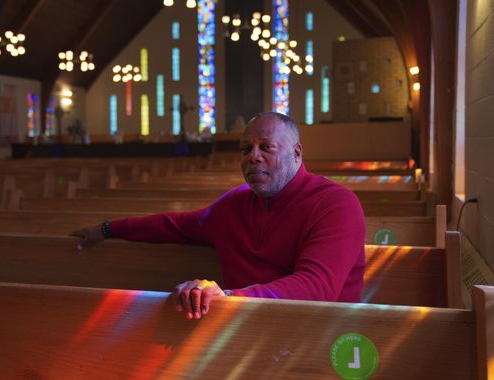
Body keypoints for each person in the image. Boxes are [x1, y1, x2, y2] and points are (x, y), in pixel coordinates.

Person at [71, 112, 365, 320]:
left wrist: (228, 297)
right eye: (245, 149)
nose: (253, 156)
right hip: (239, 329)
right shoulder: (234, 205)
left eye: (266, 147)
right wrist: (108, 228)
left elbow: (317, 287)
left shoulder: (336, 204)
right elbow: (175, 226)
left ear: (297, 153)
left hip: (319, 336)